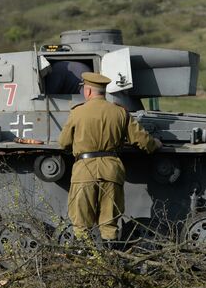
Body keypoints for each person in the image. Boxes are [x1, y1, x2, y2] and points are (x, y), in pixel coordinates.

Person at [57, 72, 161, 243]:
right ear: (103, 91)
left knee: (81, 223)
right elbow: (143, 141)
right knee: (109, 222)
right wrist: (156, 144)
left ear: (88, 92)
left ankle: (84, 260)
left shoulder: (78, 113)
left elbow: (63, 143)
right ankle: (109, 259)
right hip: (112, 171)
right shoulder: (120, 113)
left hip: (84, 171)